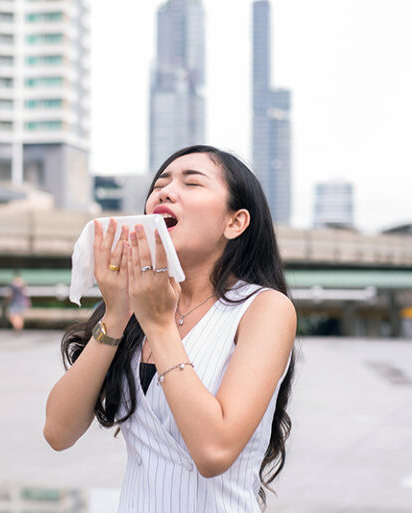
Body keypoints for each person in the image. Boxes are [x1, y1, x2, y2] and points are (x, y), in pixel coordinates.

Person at [44, 145, 296, 512]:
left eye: (192, 183)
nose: (165, 192)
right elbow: (58, 432)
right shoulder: (136, 307)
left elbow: (214, 452)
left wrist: (160, 326)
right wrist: (116, 313)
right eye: (160, 184)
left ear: (235, 222)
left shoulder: (263, 309)